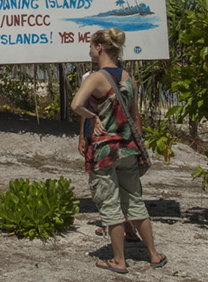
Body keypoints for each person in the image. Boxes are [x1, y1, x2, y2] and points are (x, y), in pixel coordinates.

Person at [71, 28, 166, 273]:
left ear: (100, 48)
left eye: (91, 46)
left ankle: (119, 260)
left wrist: (93, 118)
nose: (89, 50)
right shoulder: (129, 78)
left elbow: (76, 105)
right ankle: (154, 254)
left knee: (110, 204)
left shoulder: (96, 77)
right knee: (135, 202)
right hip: (128, 149)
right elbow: (135, 116)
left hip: (105, 151)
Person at [77, 64, 141, 243]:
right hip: (100, 136)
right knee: (107, 187)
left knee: (118, 187)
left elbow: (133, 112)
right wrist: (83, 135)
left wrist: (138, 136)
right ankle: (115, 226)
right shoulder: (90, 77)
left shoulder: (125, 78)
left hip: (119, 137)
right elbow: (86, 108)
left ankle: (126, 228)